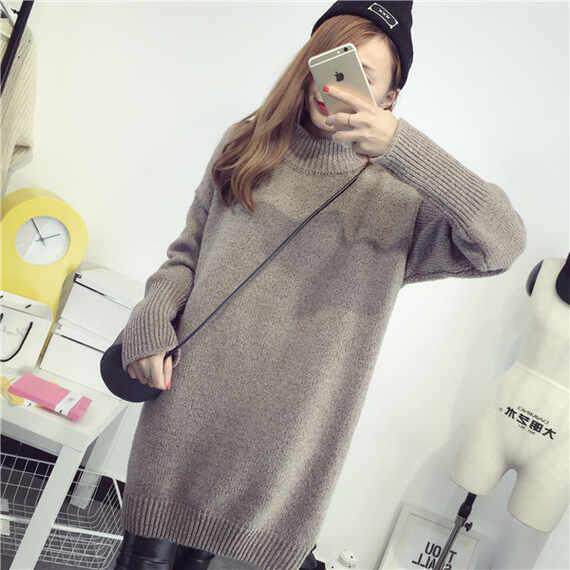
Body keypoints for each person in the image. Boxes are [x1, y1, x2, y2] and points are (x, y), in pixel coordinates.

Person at [112, 2, 527, 569]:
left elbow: (503, 242)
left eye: (361, 73)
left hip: (279, 461)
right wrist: (151, 318)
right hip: (180, 419)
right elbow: (187, 255)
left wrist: (403, 147)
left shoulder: (401, 200)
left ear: (390, 99)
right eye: (330, 61)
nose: (335, 83)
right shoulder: (246, 145)